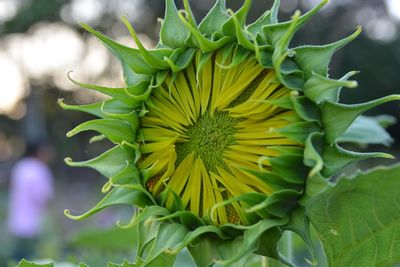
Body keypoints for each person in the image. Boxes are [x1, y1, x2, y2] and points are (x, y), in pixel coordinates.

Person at [7, 141, 54, 261]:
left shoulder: (20, 166)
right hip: (34, 223)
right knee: (33, 257)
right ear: (39, 152)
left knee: (17, 258)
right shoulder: (40, 169)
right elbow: (43, 197)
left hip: (17, 221)